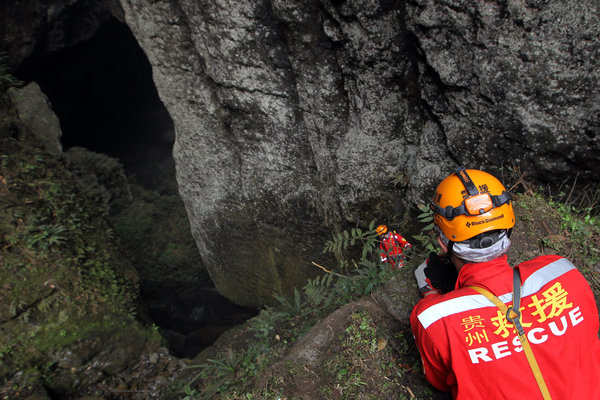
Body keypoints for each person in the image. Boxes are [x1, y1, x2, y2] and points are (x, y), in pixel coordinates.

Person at [410, 166, 600, 399]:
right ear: (509, 224)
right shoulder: (563, 273)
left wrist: (432, 296)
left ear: (442, 240)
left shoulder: (434, 319)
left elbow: (440, 381)